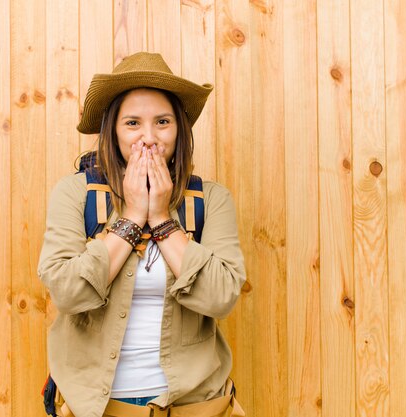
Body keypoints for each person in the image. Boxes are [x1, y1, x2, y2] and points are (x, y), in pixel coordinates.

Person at [37, 52, 246, 417]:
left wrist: (163, 219)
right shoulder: (74, 194)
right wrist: (132, 217)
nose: (148, 139)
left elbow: (222, 296)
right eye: (133, 123)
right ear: (113, 132)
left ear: (179, 129)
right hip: (99, 408)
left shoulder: (212, 199)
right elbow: (66, 292)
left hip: (197, 406)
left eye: (162, 122)